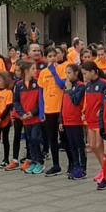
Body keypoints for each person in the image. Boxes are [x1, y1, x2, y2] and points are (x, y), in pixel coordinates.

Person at [37, 47, 65, 176]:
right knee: (52, 138)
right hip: (49, 109)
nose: (52, 58)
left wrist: (54, 72)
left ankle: (73, 164)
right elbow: (41, 93)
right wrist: (41, 111)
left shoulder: (62, 69)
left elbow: (62, 85)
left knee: (65, 138)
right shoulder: (43, 73)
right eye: (49, 56)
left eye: (54, 55)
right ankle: (56, 165)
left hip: (60, 108)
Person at [14, 60, 45, 174]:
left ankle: (40, 162)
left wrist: (33, 113)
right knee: (30, 141)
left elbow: (41, 101)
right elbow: (16, 102)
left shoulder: (38, 84)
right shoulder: (18, 85)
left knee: (35, 139)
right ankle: (34, 161)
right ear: (26, 71)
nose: (35, 71)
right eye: (33, 69)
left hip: (35, 118)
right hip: (25, 119)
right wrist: (22, 114)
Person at [60, 63, 87, 179]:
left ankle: (82, 168)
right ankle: (75, 166)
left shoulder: (81, 86)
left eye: (69, 72)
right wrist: (60, 120)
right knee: (71, 145)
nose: (67, 75)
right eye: (66, 73)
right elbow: (63, 104)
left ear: (76, 73)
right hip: (67, 120)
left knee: (79, 145)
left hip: (76, 120)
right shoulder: (67, 86)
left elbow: (76, 101)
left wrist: (70, 89)